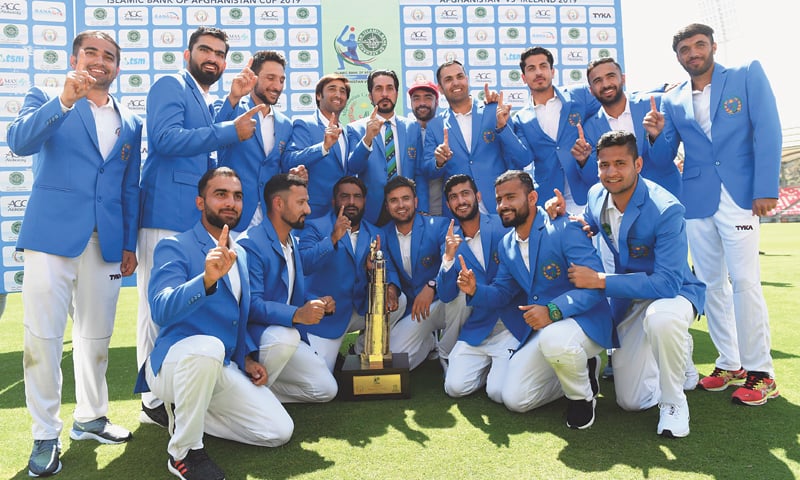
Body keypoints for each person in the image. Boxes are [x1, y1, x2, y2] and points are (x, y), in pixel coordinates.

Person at [7, 31, 141, 477]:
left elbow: (127, 186)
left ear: (118, 67)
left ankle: (90, 418)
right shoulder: (45, 95)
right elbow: (19, 142)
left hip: (105, 243)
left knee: (96, 338)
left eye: (109, 56)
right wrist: (64, 100)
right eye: (92, 53)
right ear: (73, 58)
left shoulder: (130, 121)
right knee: (43, 340)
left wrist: (126, 243)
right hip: (51, 237)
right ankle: (45, 434)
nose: (100, 61)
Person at [643, 23, 781, 405]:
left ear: (713, 46)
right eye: (685, 49)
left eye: (699, 45)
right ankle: (730, 363)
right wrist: (655, 135)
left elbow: (767, 130)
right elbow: (660, 159)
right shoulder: (672, 100)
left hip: (739, 197)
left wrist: (765, 189)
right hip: (698, 200)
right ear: (678, 57)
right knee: (710, 284)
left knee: (745, 282)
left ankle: (761, 372)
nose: (693, 53)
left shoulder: (746, 74)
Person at [137, 26, 264, 425]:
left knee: (189, 301)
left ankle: (182, 388)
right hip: (164, 213)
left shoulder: (202, 95)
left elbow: (205, 142)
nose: (213, 58)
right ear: (188, 53)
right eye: (205, 50)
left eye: (220, 53)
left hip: (189, 218)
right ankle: (154, 400)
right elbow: (167, 138)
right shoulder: (170, 85)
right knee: (153, 308)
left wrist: (231, 103)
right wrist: (229, 127)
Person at [135, 167, 293, 480]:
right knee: (208, 346)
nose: (230, 203)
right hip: (172, 366)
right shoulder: (174, 246)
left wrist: (246, 356)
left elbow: (237, 317)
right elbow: (160, 310)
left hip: (219, 366)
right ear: (200, 202)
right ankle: (184, 452)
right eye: (220, 194)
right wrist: (205, 280)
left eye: (237, 196)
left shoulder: (241, 255)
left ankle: (188, 413)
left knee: (278, 431)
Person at [564, 131, 705, 437]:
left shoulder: (667, 209)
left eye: (620, 163)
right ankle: (679, 352)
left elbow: (666, 284)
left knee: (662, 319)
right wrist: (578, 223)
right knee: (632, 401)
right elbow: (591, 220)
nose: (611, 172)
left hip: (674, 293)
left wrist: (602, 281)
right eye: (604, 165)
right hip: (632, 296)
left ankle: (674, 403)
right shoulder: (595, 195)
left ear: (638, 164)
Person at [457, 171, 612, 430]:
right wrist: (475, 290)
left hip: (585, 322)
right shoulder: (507, 244)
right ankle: (580, 369)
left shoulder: (565, 226)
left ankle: (581, 397)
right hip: (546, 330)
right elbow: (503, 292)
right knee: (514, 399)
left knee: (555, 341)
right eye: (499, 199)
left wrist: (552, 310)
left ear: (532, 197)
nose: (503, 205)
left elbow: (594, 287)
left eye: (510, 197)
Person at [238, 174, 339, 403]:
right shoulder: (250, 243)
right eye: (301, 202)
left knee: (326, 389)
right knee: (286, 335)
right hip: (258, 340)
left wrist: (318, 302)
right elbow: (252, 305)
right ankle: (249, 401)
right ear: (278, 204)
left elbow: (291, 293)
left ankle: (256, 391)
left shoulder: (292, 240)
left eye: (307, 202)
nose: (309, 210)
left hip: (286, 337)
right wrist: (297, 314)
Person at [298, 176, 404, 371]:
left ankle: (359, 348)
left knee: (401, 300)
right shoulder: (315, 226)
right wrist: (333, 238)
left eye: (357, 197)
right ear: (334, 201)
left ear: (365, 201)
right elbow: (304, 264)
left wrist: (390, 287)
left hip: (361, 308)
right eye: (344, 196)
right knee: (322, 379)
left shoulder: (375, 232)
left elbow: (390, 269)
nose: (351, 202)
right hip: (330, 315)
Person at [438, 174, 527, 402]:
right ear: (448, 205)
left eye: (465, 194)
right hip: (479, 327)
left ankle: (501, 370)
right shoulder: (450, 242)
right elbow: (446, 295)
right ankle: (489, 368)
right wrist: (448, 259)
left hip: (511, 324)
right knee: (454, 388)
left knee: (497, 393)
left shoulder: (503, 224)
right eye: (454, 197)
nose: (461, 201)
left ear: (477, 196)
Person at [422, 60, 529, 216]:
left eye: (460, 76)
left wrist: (503, 128)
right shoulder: (435, 125)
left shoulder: (494, 111)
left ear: (467, 79)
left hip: (500, 208)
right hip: (459, 214)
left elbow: (522, 158)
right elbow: (428, 170)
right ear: (441, 89)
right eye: (448, 79)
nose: (455, 82)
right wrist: (439, 162)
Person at [216, 50, 299, 233]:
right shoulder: (232, 107)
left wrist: (293, 173)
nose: (277, 86)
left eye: (281, 80)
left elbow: (278, 166)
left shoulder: (286, 124)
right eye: (270, 78)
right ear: (253, 78)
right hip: (233, 215)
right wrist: (234, 98)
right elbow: (214, 136)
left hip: (270, 219)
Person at [511, 46, 600, 213]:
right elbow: (523, 159)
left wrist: (661, 89)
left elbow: (613, 103)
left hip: (589, 191)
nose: (538, 72)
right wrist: (502, 128)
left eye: (543, 66)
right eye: (531, 68)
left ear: (552, 71)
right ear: (523, 77)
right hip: (550, 200)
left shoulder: (579, 95)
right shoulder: (520, 119)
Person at [381, 176, 457, 370]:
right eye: (394, 200)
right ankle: (430, 342)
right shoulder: (383, 234)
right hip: (415, 310)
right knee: (395, 362)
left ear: (415, 201)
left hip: (443, 301)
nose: (401, 205)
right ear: (387, 206)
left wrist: (433, 285)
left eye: (405, 198)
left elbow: (449, 262)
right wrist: (390, 287)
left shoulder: (439, 225)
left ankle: (449, 351)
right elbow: (388, 268)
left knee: (463, 296)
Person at [347, 69, 429, 224]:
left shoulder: (412, 127)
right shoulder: (355, 129)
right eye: (378, 89)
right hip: (372, 212)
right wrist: (367, 139)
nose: (385, 94)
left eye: (390, 88)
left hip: (407, 209)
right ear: (370, 96)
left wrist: (423, 208)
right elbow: (353, 167)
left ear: (396, 93)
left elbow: (419, 173)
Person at [284, 74, 351, 219]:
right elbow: (290, 160)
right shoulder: (304, 124)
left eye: (343, 91)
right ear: (319, 95)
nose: (338, 94)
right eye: (332, 89)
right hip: (312, 214)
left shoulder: (346, 131)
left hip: (341, 215)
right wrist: (323, 147)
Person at [407, 80, 440, 214]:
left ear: (436, 102)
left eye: (428, 97)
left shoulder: (446, 130)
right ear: (411, 103)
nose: (422, 103)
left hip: (443, 208)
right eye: (416, 98)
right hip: (410, 211)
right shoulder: (404, 132)